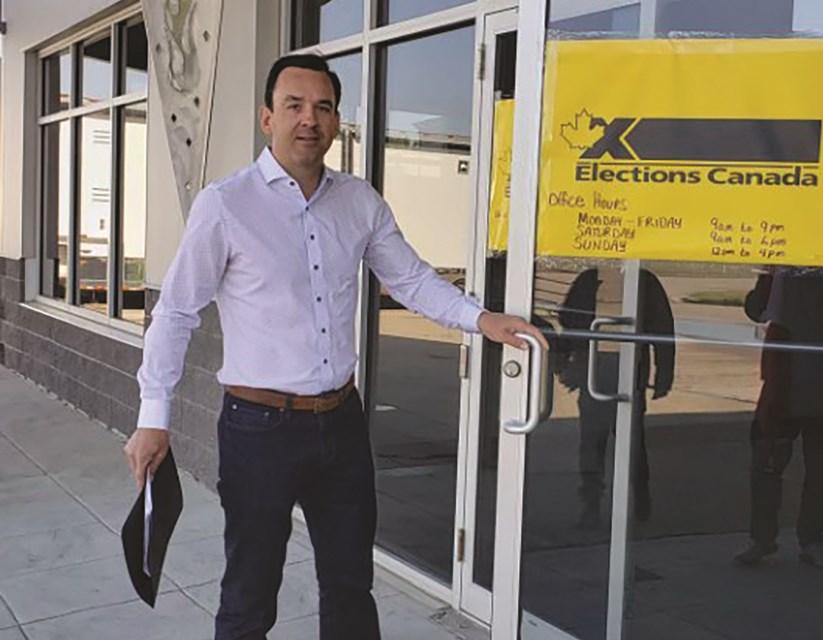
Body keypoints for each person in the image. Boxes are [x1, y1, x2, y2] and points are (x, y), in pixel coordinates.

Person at [123, 54, 546, 640]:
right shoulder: (226, 205)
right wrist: (154, 418)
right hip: (258, 430)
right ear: (266, 117)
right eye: (294, 105)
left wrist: (481, 318)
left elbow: (412, 279)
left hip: (340, 424)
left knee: (350, 585)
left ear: (336, 120)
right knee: (250, 591)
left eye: (322, 107)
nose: (309, 119)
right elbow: (174, 313)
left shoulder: (358, 201)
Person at [734, 268, 823, 571]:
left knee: (822, 467)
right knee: (767, 461)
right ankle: (764, 537)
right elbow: (756, 308)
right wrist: (767, 279)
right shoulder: (780, 267)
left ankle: (810, 539)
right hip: (785, 381)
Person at [555, 267, 675, 529]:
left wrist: (664, 373)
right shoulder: (589, 279)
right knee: (592, 440)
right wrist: (564, 363)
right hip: (595, 367)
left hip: (631, 367)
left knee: (631, 441)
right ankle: (591, 504)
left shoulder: (645, 281)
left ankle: (640, 501)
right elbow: (570, 320)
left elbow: (663, 329)